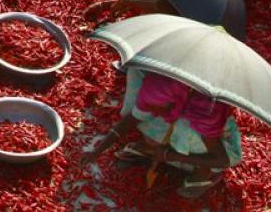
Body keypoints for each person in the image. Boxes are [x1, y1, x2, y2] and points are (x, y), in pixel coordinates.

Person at [81, 69, 242, 199]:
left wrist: (173, 156)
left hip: (218, 143)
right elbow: (130, 121)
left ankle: (203, 174)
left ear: (173, 102)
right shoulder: (160, 92)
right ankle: (154, 148)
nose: (154, 111)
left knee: (185, 132)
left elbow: (222, 160)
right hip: (182, 114)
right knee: (150, 116)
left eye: (158, 107)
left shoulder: (206, 112)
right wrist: (97, 151)